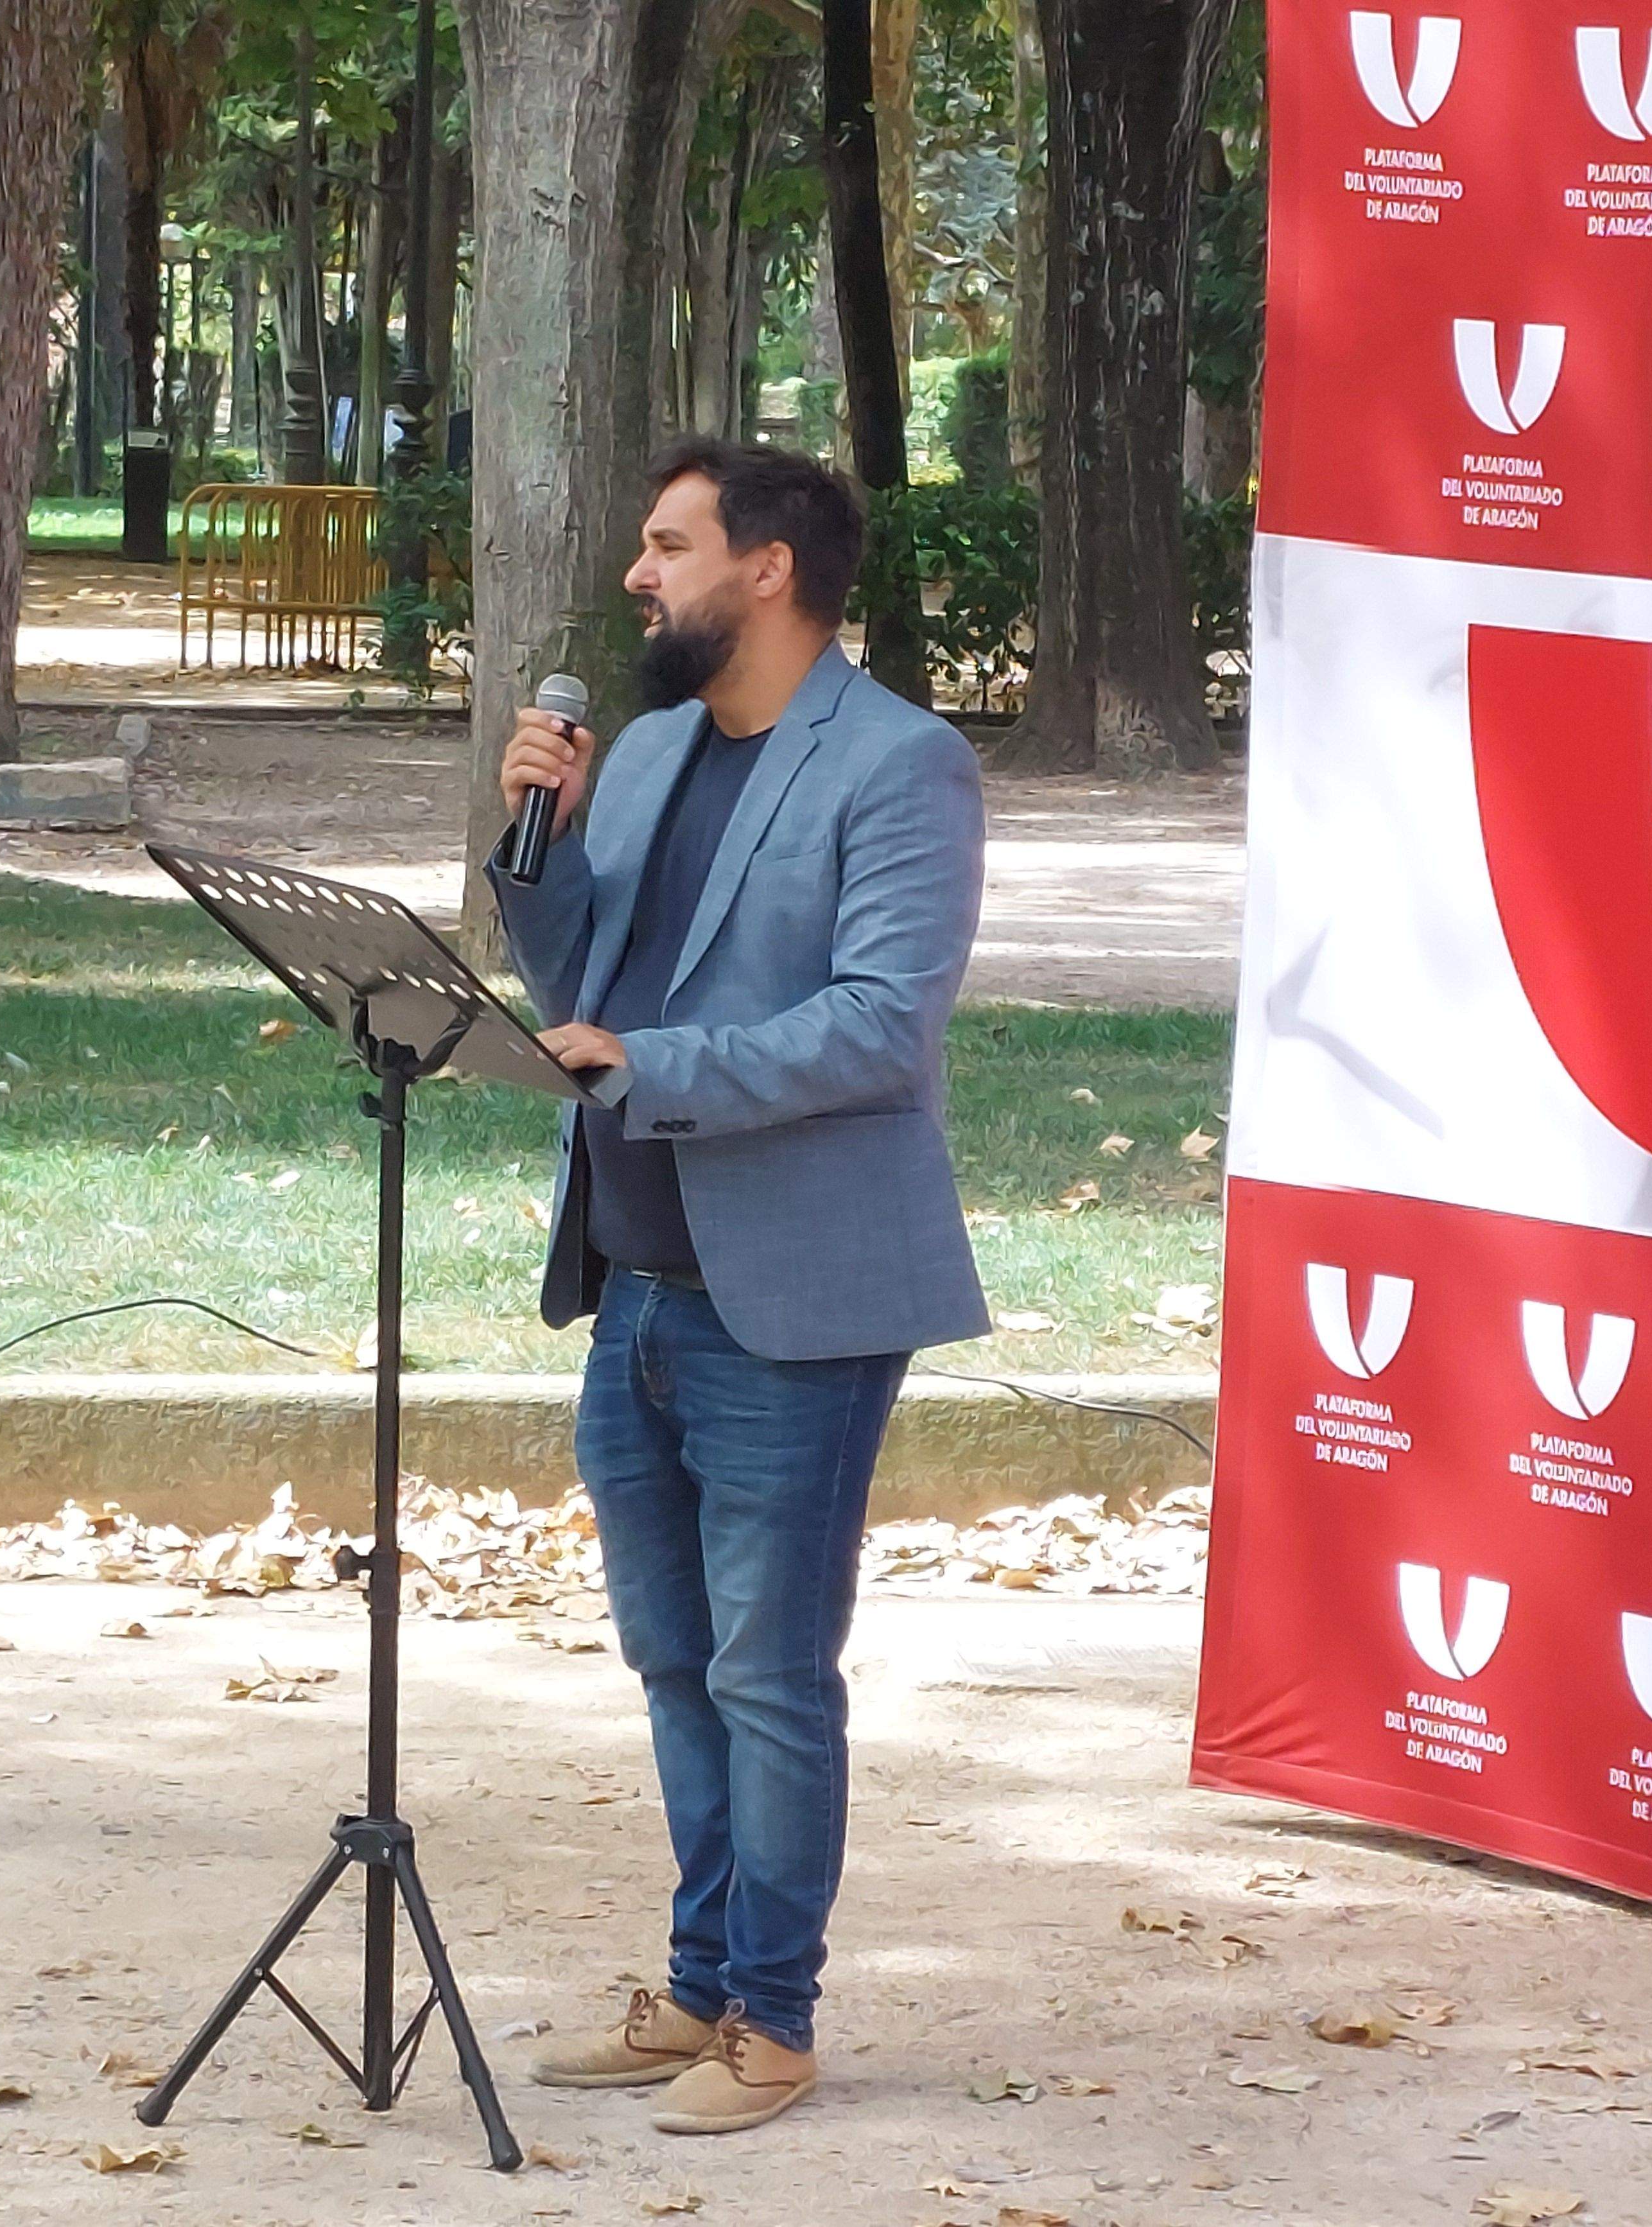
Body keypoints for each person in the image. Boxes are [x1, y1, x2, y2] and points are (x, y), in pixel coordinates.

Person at [491, 439, 989, 2135]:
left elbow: (881, 1024)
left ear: (766, 567)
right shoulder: (635, 756)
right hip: (631, 1279)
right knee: (674, 1660)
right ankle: (698, 1986)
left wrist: (659, 1059)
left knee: (773, 1670)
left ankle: (772, 2019)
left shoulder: (901, 766)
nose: (640, 576)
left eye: (666, 545)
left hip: (795, 1302)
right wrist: (537, 842)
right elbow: (577, 985)